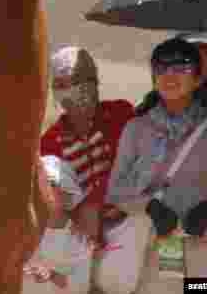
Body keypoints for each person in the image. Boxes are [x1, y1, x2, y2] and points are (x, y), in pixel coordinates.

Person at [106, 38, 207, 291]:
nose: (170, 74)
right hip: (165, 244)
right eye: (161, 68)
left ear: (198, 78)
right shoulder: (137, 128)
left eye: (181, 67)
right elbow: (115, 191)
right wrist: (149, 206)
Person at [40, 46, 135, 248]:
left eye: (83, 80)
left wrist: (94, 203)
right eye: (63, 84)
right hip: (81, 239)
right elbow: (56, 199)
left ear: (95, 82)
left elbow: (136, 167)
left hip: (131, 223)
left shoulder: (121, 114)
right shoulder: (50, 141)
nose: (75, 90)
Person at [23, 156, 93, 294]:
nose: (44, 189)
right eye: (38, 183)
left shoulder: (79, 235)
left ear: (66, 192)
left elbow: (81, 286)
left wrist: (51, 275)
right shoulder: (21, 229)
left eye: (51, 183)